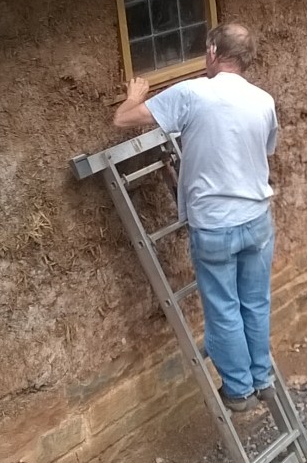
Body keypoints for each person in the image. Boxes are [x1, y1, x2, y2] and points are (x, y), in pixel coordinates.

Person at [114, 22, 278, 413]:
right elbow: (265, 149)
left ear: (212, 52)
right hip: (257, 219)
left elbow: (123, 119)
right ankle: (262, 379)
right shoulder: (264, 100)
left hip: (215, 223)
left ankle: (238, 390)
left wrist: (134, 95)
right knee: (255, 304)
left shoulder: (192, 93)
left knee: (224, 308)